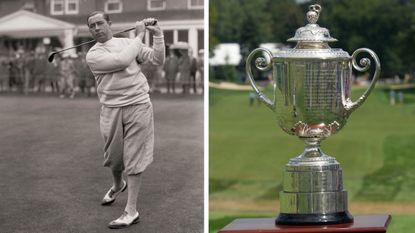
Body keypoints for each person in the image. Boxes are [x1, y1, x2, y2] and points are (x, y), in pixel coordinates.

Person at [85, 11, 165, 229]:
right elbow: (121, 60)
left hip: (139, 104)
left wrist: (157, 35)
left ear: (109, 23)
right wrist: (139, 37)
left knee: (134, 158)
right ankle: (118, 184)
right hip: (111, 108)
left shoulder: (126, 42)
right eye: (92, 26)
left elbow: (158, 59)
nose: (96, 28)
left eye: (100, 23)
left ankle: (131, 211)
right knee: (114, 157)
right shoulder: (93, 54)